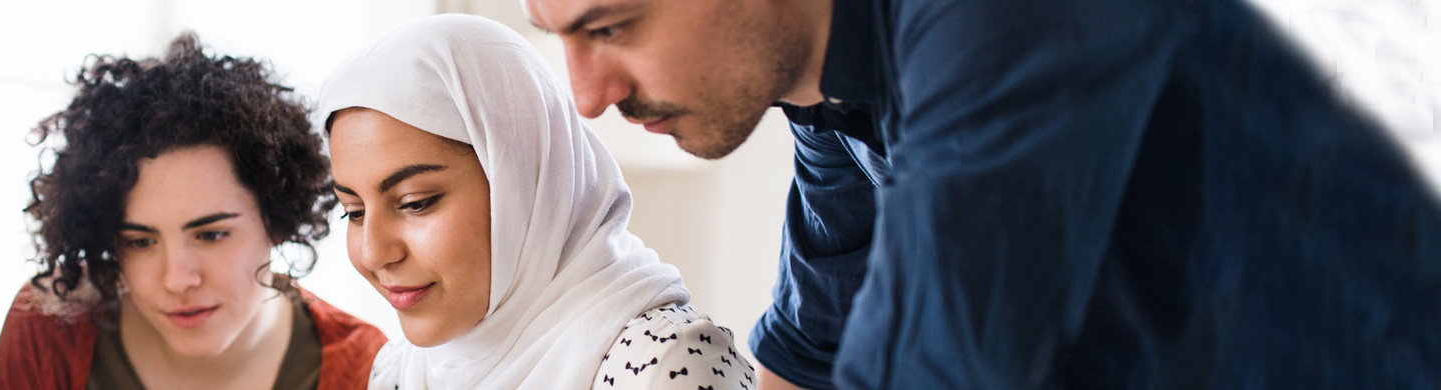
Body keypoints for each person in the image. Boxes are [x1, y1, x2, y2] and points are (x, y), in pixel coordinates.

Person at [524, 0, 1441, 388]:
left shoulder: (995, 18)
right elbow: (811, 357)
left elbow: (938, 364)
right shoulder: (825, 87)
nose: (587, 95)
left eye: (612, 25)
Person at [317, 14, 757, 389]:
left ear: (523, 186)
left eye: (416, 202)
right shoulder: (399, 371)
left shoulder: (664, 366)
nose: (373, 253)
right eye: (353, 212)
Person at [0, 33, 386, 390]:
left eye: (210, 235)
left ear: (276, 220)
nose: (178, 280)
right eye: (141, 242)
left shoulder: (369, 372)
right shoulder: (50, 327)